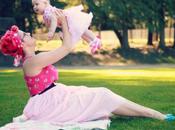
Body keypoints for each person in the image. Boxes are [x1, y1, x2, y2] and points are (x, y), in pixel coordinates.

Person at [0, 10, 175, 126]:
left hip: (54, 97)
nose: (30, 34)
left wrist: (64, 28)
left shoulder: (33, 59)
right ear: (22, 44)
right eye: (26, 35)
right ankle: (155, 115)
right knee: (102, 95)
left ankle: (153, 114)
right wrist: (64, 23)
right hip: (51, 104)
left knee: (101, 96)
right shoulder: (32, 62)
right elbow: (67, 48)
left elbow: (63, 46)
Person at [32, 0, 101, 54]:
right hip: (67, 24)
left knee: (82, 30)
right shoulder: (45, 14)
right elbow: (50, 24)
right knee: (81, 33)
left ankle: (95, 39)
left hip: (70, 19)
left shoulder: (48, 11)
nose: (34, 7)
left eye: (37, 4)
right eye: (33, 5)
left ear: (45, 3)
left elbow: (54, 19)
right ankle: (91, 43)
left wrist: (51, 32)